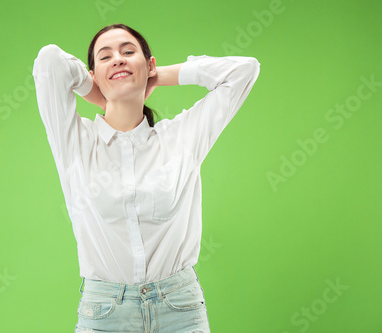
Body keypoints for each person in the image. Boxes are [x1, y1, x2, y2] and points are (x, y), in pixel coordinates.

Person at [32, 23, 260, 333]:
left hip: (179, 308)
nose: (118, 59)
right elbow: (49, 61)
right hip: (104, 312)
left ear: (148, 63)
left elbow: (243, 71)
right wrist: (94, 90)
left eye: (129, 52)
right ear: (93, 72)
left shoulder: (181, 138)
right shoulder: (75, 142)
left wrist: (159, 76)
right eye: (105, 56)